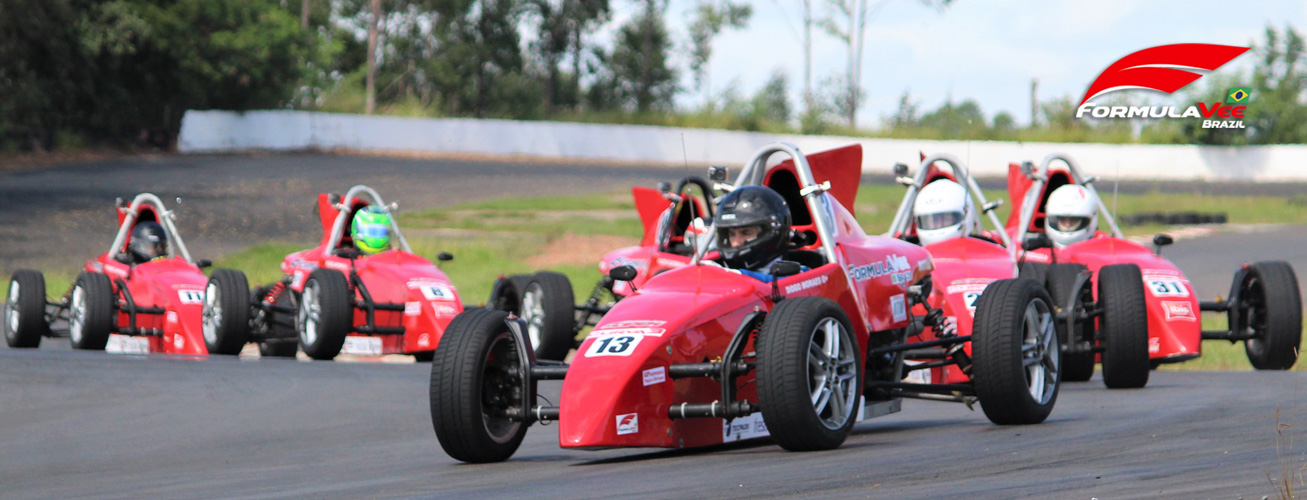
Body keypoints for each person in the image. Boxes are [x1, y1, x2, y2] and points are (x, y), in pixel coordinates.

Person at [714, 185, 793, 282]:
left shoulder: (801, 272)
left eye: (746, 233)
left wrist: (733, 274)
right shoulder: (721, 266)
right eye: (732, 234)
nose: (736, 243)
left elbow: (784, 281)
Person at [913, 179, 977, 246]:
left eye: (946, 219)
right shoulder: (911, 253)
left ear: (966, 215)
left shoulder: (985, 252)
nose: (938, 225)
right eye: (931, 221)